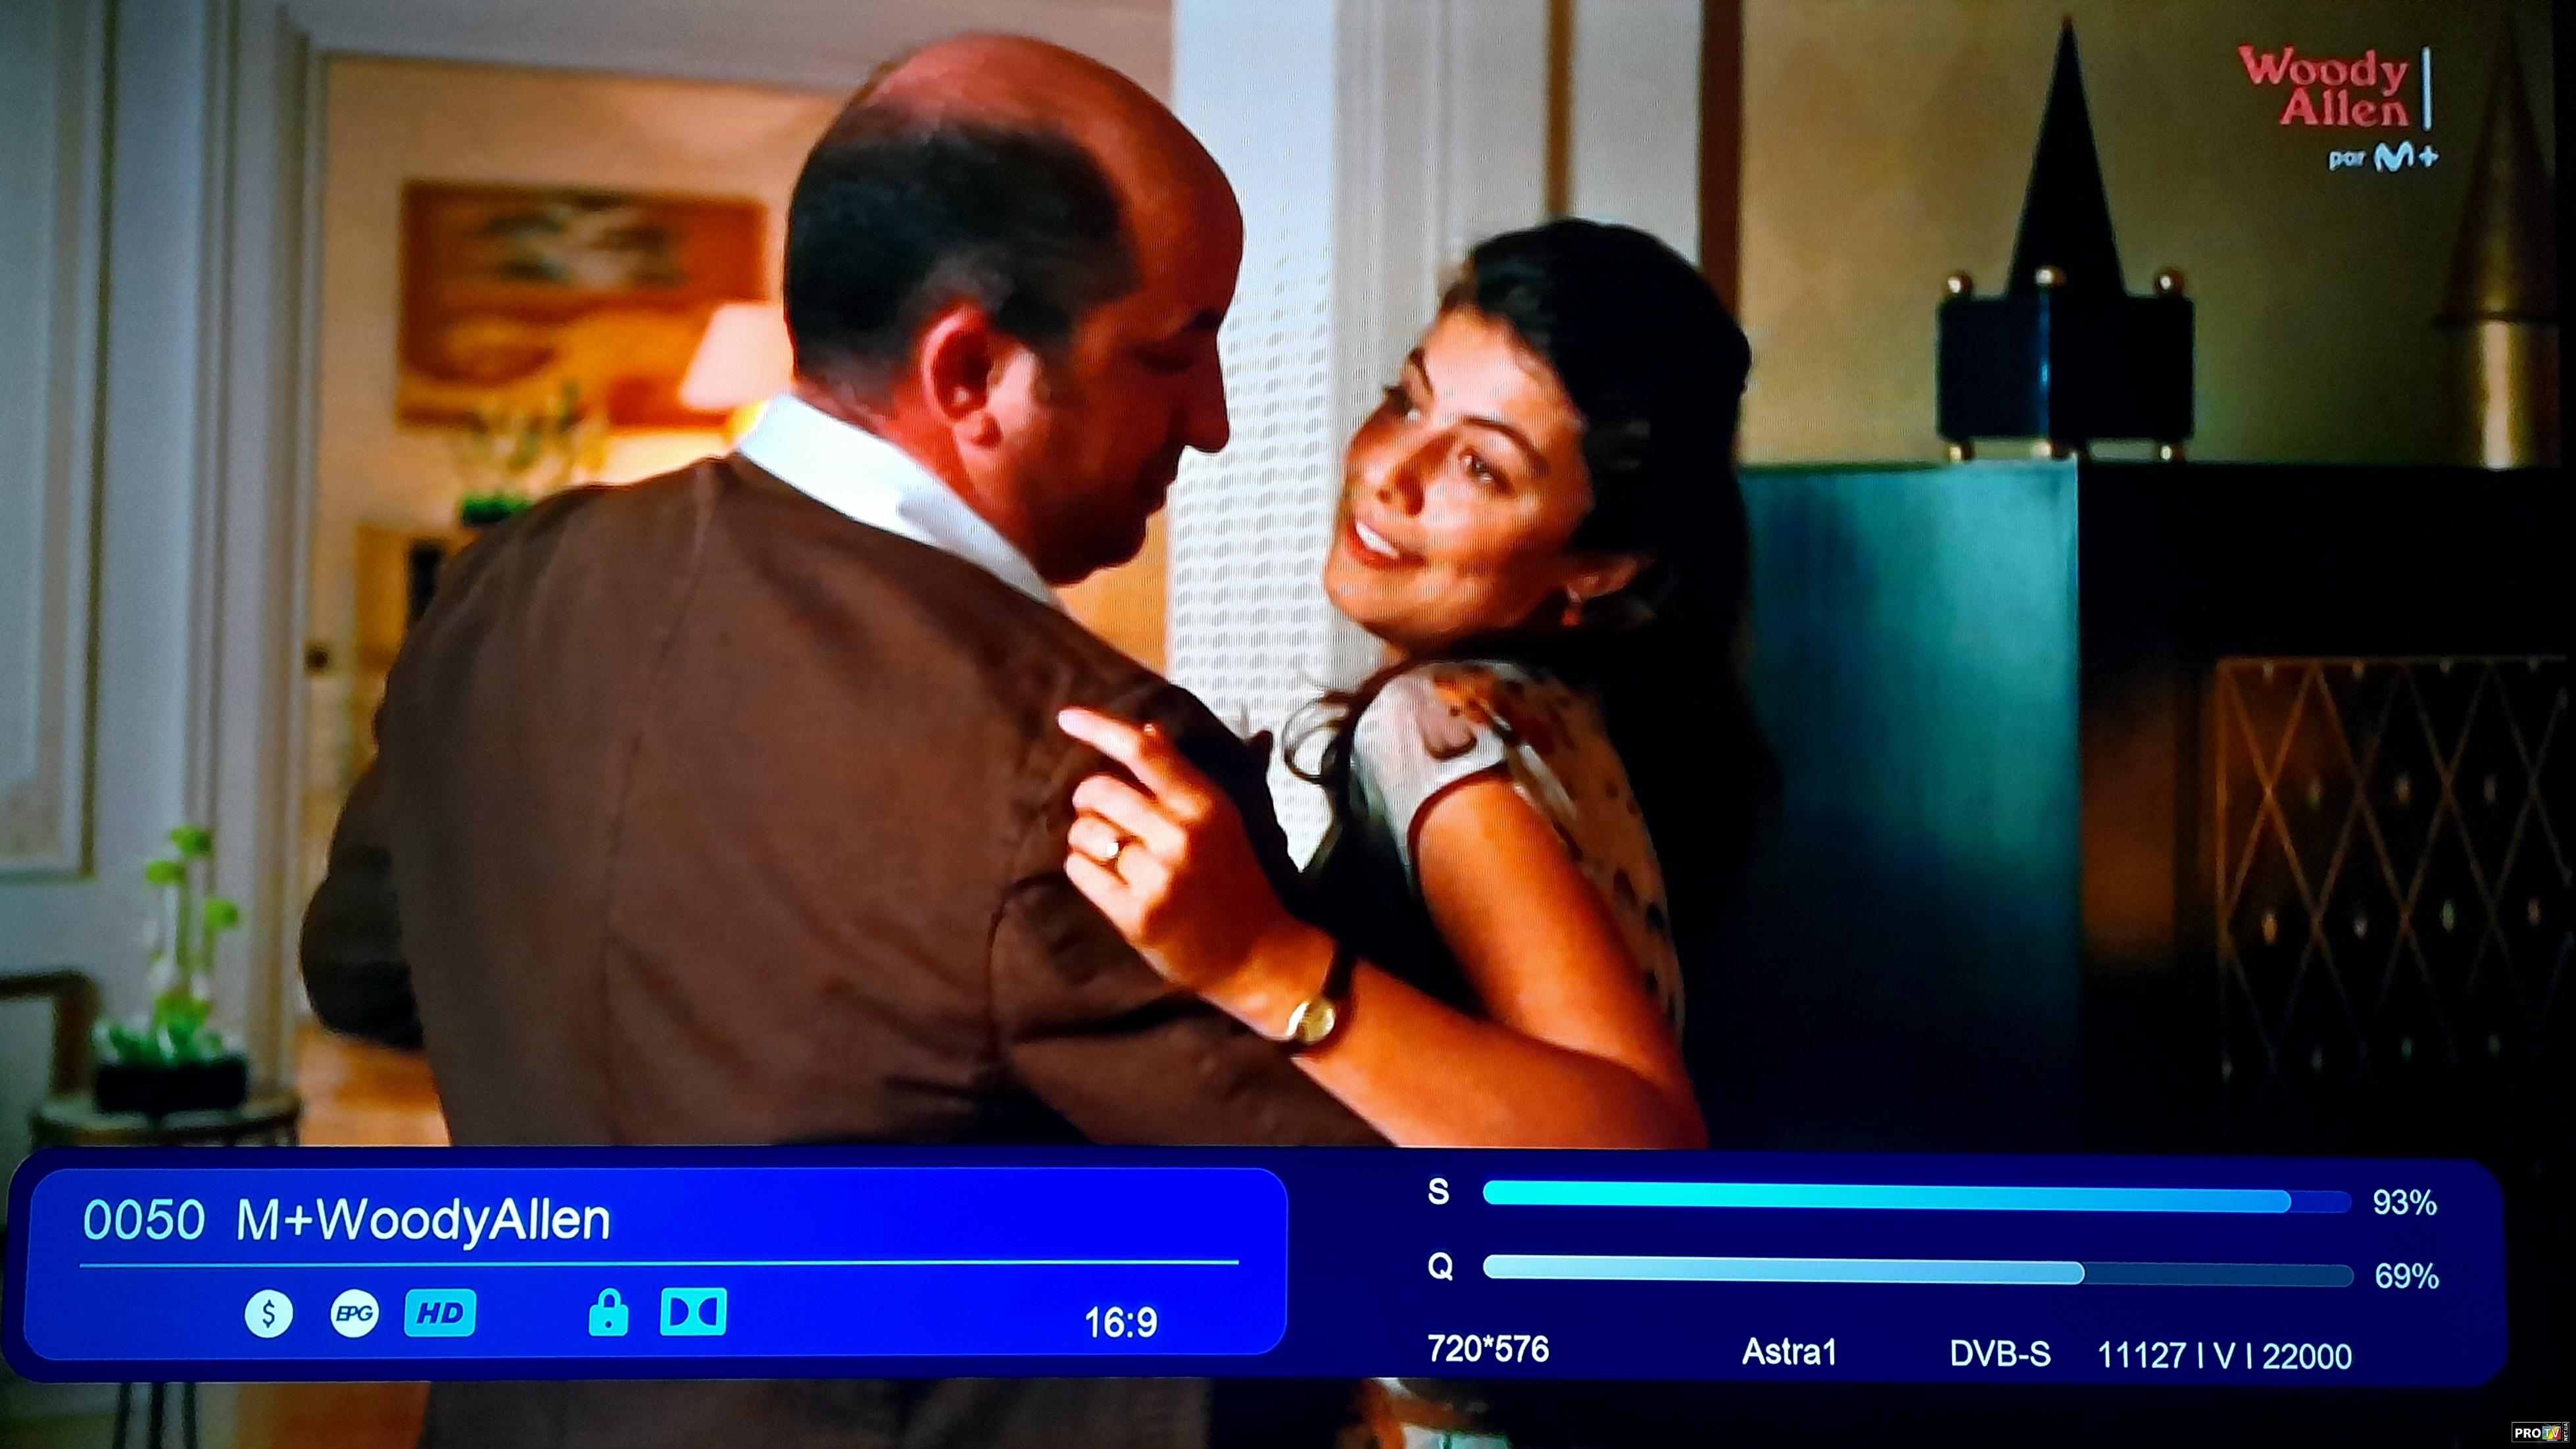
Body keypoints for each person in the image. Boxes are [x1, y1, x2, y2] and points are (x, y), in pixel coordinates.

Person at [301, 34, 1378, 1449]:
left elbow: (363, 971)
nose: (1216, 422)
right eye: (1174, 353)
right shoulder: (1092, 756)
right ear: (971, 369)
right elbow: (1371, 1236)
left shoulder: (511, 583)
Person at [1059, 218, 1772, 1153]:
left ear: (1598, 569)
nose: (1390, 474)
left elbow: (1648, 1153)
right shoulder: (1555, 711)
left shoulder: (1442, 728)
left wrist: (1258, 961)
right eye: (1406, 402)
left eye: (1481, 467)